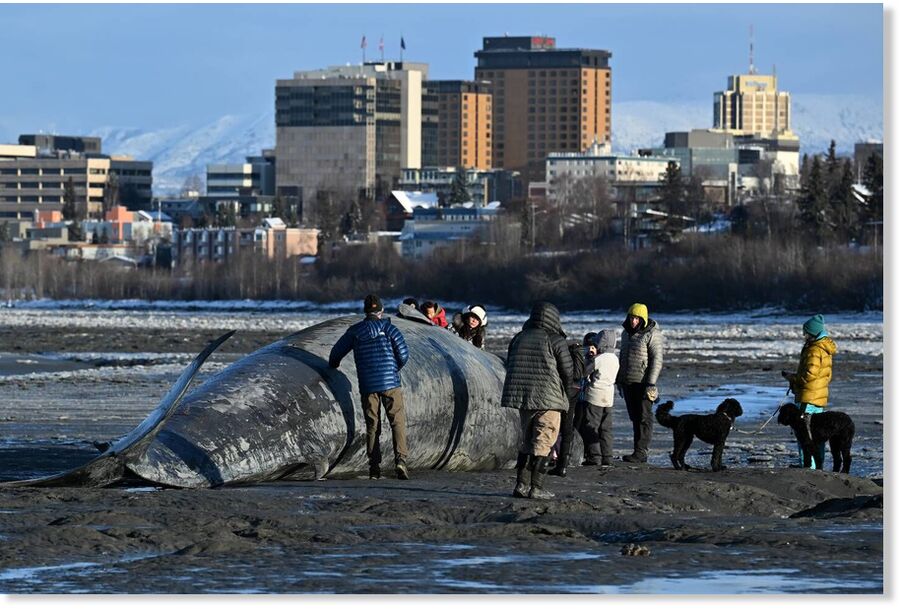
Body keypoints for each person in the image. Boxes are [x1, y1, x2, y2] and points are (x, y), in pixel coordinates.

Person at [329, 294, 411, 480]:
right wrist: (393, 369)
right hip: (391, 383)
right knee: (397, 421)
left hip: (368, 385)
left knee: (373, 425)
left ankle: (374, 467)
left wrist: (333, 365)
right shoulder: (390, 329)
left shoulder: (355, 331)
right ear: (381, 311)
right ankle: (401, 461)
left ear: (365, 312)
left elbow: (336, 353)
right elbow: (404, 354)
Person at [502, 302, 573, 499]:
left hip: (523, 397)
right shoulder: (555, 340)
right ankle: (537, 487)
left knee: (526, 441)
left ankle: (520, 485)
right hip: (549, 398)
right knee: (544, 441)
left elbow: (510, 365)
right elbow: (567, 371)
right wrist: (565, 397)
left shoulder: (519, 338)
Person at [781, 314, 838, 469]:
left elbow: (809, 375)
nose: (803, 335)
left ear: (812, 332)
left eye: (805, 332)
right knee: (818, 434)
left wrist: (793, 379)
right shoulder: (824, 347)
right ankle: (817, 465)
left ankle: (808, 466)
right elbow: (825, 375)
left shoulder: (814, 349)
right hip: (818, 396)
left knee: (804, 434)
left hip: (808, 397)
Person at [615, 303, 664, 464]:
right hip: (628, 382)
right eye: (631, 317)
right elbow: (622, 357)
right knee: (635, 417)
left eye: (636, 318)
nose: (633, 321)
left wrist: (651, 383)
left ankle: (641, 451)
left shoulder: (652, 334)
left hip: (643, 383)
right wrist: (619, 380)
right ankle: (637, 450)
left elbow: (657, 360)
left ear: (642, 319)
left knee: (644, 417)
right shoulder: (625, 334)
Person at [578, 329, 620, 466]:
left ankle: (594, 457)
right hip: (608, 397)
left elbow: (583, 372)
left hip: (595, 395)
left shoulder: (599, 359)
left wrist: (589, 358)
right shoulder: (615, 358)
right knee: (606, 428)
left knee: (591, 426)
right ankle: (607, 457)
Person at [548, 337, 585, 477]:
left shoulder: (564, 353)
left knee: (554, 425)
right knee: (568, 428)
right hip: (575, 390)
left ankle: (549, 458)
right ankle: (563, 465)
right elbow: (580, 374)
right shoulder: (579, 354)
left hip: (563, 391)